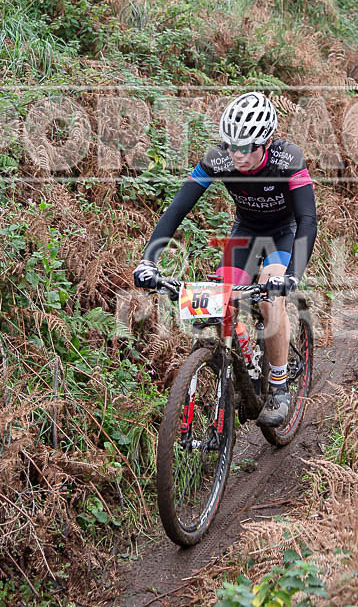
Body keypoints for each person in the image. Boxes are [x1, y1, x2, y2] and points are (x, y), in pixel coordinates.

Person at [133, 93, 317, 427]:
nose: (237, 155)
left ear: (267, 141)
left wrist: (291, 275)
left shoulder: (287, 159)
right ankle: (230, 372)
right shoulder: (217, 159)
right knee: (217, 303)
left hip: (283, 233)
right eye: (231, 146)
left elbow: (307, 219)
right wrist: (149, 260)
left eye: (246, 148)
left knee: (269, 301)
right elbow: (177, 209)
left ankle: (278, 386)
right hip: (245, 232)